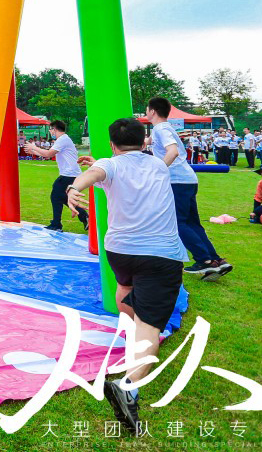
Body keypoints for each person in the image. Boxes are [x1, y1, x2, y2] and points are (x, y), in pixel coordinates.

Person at [65, 117, 189, 435]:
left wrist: (75, 187)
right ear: (145, 141)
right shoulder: (158, 166)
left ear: (112, 144)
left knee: (124, 286)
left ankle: (135, 335)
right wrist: (92, 172)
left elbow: (97, 173)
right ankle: (128, 386)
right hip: (159, 254)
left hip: (120, 250)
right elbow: (127, 167)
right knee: (150, 328)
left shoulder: (110, 165)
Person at [145, 98, 231, 280]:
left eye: (147, 109)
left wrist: (158, 172)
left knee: (179, 223)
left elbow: (173, 151)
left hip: (177, 181)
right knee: (192, 223)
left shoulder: (161, 129)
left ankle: (204, 260)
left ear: (152, 111)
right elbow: (147, 141)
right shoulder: (163, 128)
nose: (146, 112)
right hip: (187, 180)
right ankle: (216, 260)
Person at [22, 120, 87, 231]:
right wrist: (34, 152)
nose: (50, 132)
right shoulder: (63, 139)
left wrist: (33, 147)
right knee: (61, 197)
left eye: (50, 130)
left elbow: (49, 153)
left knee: (56, 195)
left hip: (70, 174)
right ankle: (82, 217)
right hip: (70, 174)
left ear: (54, 129)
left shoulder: (63, 139)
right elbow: (48, 155)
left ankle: (58, 224)